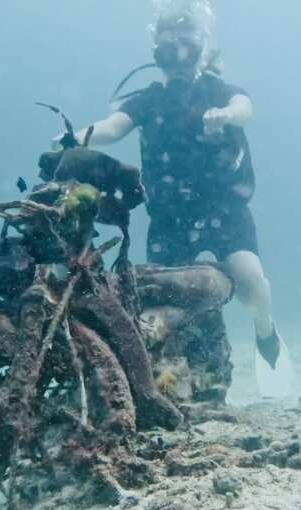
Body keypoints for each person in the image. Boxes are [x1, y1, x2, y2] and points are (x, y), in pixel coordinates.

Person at [62, 9, 284, 369]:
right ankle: (170, 365)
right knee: (159, 294)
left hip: (224, 211)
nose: (177, 60)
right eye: (167, 51)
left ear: (202, 50)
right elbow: (112, 127)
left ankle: (265, 331)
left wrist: (226, 115)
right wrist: (76, 138)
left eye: (186, 48)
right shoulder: (148, 101)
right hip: (169, 217)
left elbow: (244, 108)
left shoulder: (218, 91)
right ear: (158, 56)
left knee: (251, 282)